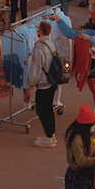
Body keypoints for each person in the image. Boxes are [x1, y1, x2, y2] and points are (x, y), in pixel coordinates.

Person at [25, 20, 60, 148]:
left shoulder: (38, 48)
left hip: (44, 83)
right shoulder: (50, 44)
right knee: (48, 109)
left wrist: (29, 87)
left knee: (41, 109)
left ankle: (49, 137)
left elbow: (35, 69)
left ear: (39, 31)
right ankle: (50, 134)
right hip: (52, 81)